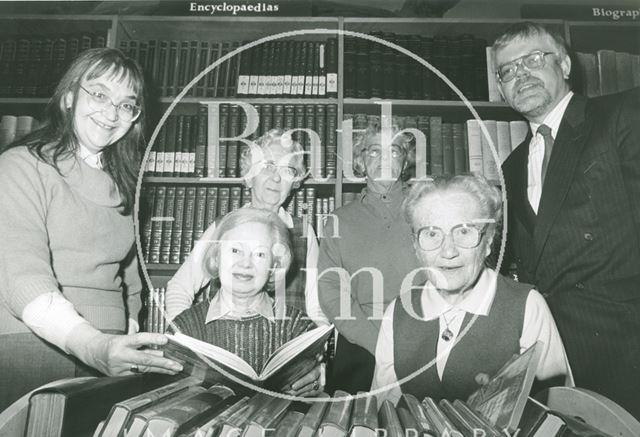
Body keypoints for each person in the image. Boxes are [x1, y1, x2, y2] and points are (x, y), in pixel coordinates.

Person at [0, 48, 182, 411]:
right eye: (99, 94)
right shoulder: (20, 166)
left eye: (126, 104)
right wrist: (94, 346)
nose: (112, 112)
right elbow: (21, 279)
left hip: (110, 355)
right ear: (68, 97)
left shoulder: (125, 186)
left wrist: (126, 337)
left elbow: (130, 281)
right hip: (35, 347)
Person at [494, 21, 640, 418]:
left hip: (627, 346)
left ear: (565, 65)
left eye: (533, 59)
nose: (520, 74)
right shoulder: (511, 167)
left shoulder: (624, 115)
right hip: (555, 357)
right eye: (507, 70)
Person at [372, 174, 571, 404]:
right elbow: (386, 415)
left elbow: (556, 412)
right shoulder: (398, 313)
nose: (448, 251)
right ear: (416, 246)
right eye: (431, 233)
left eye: (464, 231)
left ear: (488, 242)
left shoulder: (527, 307)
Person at [166, 128, 327, 327]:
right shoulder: (223, 227)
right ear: (249, 176)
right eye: (268, 166)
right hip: (225, 346)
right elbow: (179, 288)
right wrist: (188, 339)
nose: (276, 178)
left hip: (285, 349)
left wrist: (312, 346)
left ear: (295, 183)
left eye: (287, 170)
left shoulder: (304, 233)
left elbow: (317, 306)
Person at [170, 208, 324, 397]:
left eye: (259, 254)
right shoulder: (184, 329)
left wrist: (315, 388)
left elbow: (313, 402)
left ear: (274, 267)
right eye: (235, 250)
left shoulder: (300, 329)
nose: (245, 264)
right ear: (217, 258)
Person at [317, 119, 423, 393]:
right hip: (362, 348)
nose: (385, 159)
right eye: (374, 151)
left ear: (405, 160)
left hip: (425, 344)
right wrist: (380, 345)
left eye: (395, 151)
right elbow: (331, 293)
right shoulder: (340, 221)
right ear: (360, 161)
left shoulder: (427, 209)